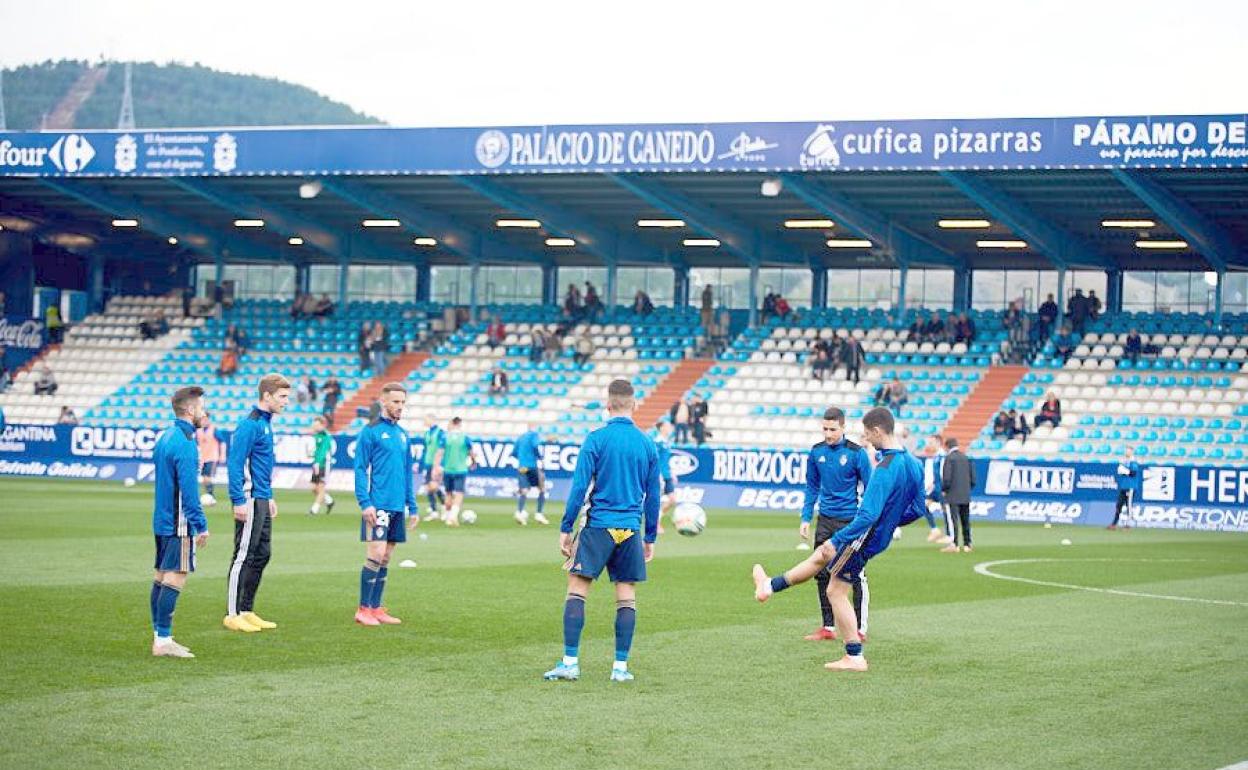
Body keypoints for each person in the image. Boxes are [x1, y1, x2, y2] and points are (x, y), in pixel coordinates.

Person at [751, 407, 924, 673]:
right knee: (821, 557)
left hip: (862, 536)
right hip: (875, 536)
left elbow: (867, 515)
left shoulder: (884, 469)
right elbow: (918, 509)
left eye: (867, 435)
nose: (866, 440)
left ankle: (854, 655)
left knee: (835, 590)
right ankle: (768, 587)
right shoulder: (913, 463)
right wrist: (891, 524)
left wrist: (840, 538)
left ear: (877, 431)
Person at [544, 379, 660, 683]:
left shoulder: (595, 438)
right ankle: (620, 668)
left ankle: (570, 663)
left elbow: (579, 487)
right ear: (634, 405)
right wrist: (650, 538)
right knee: (626, 595)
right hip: (630, 529)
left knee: (577, 588)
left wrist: (566, 527)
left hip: (598, 526)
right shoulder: (647, 444)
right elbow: (654, 496)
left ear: (607, 406)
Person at [796, 407, 873, 643]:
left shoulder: (856, 453)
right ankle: (828, 627)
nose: (828, 434)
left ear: (843, 428)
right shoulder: (816, 452)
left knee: (855, 575)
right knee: (821, 572)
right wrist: (806, 517)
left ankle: (859, 629)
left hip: (849, 522)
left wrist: (866, 519)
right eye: (825, 429)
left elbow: (870, 488)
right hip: (825, 520)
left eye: (833, 429)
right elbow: (812, 487)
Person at [224, 373, 291, 633]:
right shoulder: (250, 424)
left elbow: (261, 465)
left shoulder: (265, 423)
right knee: (243, 555)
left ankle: (246, 609)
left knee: (263, 554)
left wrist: (269, 495)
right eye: (282, 396)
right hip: (249, 499)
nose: (286, 401)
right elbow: (235, 463)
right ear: (267, 396)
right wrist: (238, 500)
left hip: (262, 497)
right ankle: (232, 613)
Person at [148, 386, 212, 658]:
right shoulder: (186, 443)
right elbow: (188, 490)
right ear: (189, 409)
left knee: (161, 577)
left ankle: (159, 636)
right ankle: (163, 640)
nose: (203, 411)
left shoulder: (165, 437)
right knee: (176, 576)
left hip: (161, 519)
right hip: (179, 522)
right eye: (201, 407)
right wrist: (201, 524)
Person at [352, 383, 417, 626]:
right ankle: (363, 609)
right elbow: (360, 468)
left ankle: (376, 608)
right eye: (396, 402)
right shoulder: (370, 432)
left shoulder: (403, 434)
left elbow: (407, 473)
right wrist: (365, 502)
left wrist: (413, 506)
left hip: (397, 505)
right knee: (376, 553)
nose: (400, 407)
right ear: (383, 402)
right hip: (377, 504)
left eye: (403, 402)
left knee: (387, 556)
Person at [432, 416, 476, 527]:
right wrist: (474, 462)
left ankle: (447, 517)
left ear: (452, 423)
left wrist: (436, 467)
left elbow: (439, 453)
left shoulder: (445, 437)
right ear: (460, 424)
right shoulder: (465, 437)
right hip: (461, 469)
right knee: (459, 493)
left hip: (448, 469)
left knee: (448, 493)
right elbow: (472, 452)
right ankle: (453, 516)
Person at [940, 437, 976, 553]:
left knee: (953, 520)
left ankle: (954, 544)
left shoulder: (949, 459)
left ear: (947, 446)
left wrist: (944, 489)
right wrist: (967, 488)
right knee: (965, 520)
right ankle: (967, 544)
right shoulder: (966, 458)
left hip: (952, 495)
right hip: (965, 494)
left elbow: (947, 478)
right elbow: (973, 479)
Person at [513, 422, 549, 526]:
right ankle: (539, 513)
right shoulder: (534, 435)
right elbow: (535, 446)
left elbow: (514, 452)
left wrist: (522, 459)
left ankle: (520, 512)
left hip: (522, 466)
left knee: (524, 490)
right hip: (532, 466)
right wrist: (539, 457)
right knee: (542, 488)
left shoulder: (520, 437)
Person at [921, 438, 954, 544]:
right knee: (923, 505)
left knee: (946, 510)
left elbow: (944, 473)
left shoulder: (942, 456)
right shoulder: (935, 457)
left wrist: (944, 487)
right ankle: (935, 529)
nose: (929, 445)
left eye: (931, 443)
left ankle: (949, 535)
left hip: (942, 488)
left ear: (938, 443)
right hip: (936, 488)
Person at [418, 414, 448, 523]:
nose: (424, 422)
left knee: (433, 486)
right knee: (429, 488)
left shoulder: (440, 432)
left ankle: (445, 508)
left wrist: (440, 465)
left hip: (437, 465)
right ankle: (434, 512)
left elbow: (443, 449)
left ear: (432, 420)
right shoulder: (427, 433)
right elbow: (425, 450)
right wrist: (419, 463)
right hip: (428, 464)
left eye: (426, 419)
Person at [308, 416, 336, 515]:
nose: (314, 426)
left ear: (322, 425)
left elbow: (324, 451)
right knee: (313, 487)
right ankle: (329, 501)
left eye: (316, 425)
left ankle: (314, 510)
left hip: (324, 464)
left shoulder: (326, 436)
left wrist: (318, 462)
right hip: (317, 464)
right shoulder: (316, 436)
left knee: (321, 486)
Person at [196, 413, 225, 504]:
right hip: (202, 457)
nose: (204, 421)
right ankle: (209, 494)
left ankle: (210, 495)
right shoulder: (198, 430)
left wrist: (222, 455)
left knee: (208, 476)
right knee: (204, 477)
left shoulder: (214, 429)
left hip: (212, 457)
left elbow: (223, 442)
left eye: (206, 419)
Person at [654, 421, 677, 536]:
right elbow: (655, 460)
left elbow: (665, 460)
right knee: (657, 500)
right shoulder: (658, 442)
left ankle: (658, 518)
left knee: (673, 500)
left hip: (667, 475)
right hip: (660, 475)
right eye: (667, 426)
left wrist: (672, 473)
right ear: (662, 428)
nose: (670, 428)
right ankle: (656, 524)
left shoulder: (666, 442)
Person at [1109, 447, 1141, 530]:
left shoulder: (1133, 462)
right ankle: (1114, 524)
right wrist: (1121, 470)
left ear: (1132, 452)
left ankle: (1128, 524)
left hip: (1131, 487)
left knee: (1128, 506)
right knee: (1119, 505)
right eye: (1126, 450)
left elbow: (1133, 473)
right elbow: (1120, 472)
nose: (1126, 452)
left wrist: (1125, 471)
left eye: (1128, 451)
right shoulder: (1124, 462)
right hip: (1123, 486)